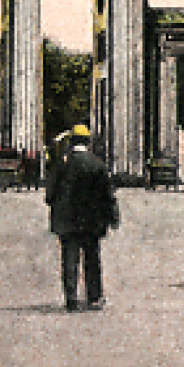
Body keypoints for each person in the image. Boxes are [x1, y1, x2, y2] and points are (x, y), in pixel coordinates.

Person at [44, 124, 120, 312]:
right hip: (91, 221)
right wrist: (113, 216)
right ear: (88, 142)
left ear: (71, 142)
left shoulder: (61, 165)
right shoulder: (97, 165)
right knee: (92, 259)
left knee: (69, 260)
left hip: (67, 221)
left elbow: (49, 194)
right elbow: (107, 195)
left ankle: (71, 299)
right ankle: (94, 297)